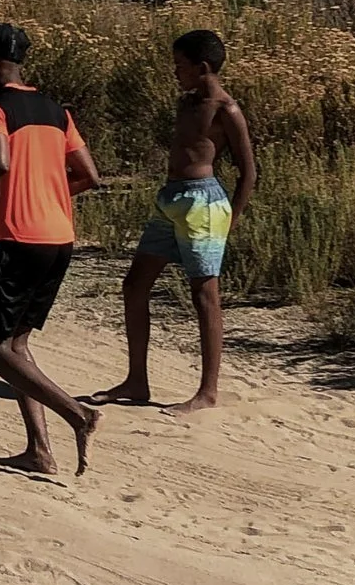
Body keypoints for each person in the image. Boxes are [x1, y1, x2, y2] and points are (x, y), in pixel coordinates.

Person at [0, 22, 102, 475]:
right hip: (59, 239)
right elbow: (88, 175)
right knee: (16, 346)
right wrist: (45, 194)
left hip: (22, 240)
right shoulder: (55, 109)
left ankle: (79, 415)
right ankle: (39, 451)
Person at [93, 29, 256, 415]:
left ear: (203, 67)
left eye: (181, 66)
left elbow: (248, 171)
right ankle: (136, 380)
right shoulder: (187, 103)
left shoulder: (226, 110)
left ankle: (208, 392)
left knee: (204, 295)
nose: (174, 72)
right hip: (171, 199)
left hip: (204, 203)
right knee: (134, 285)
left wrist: (232, 219)